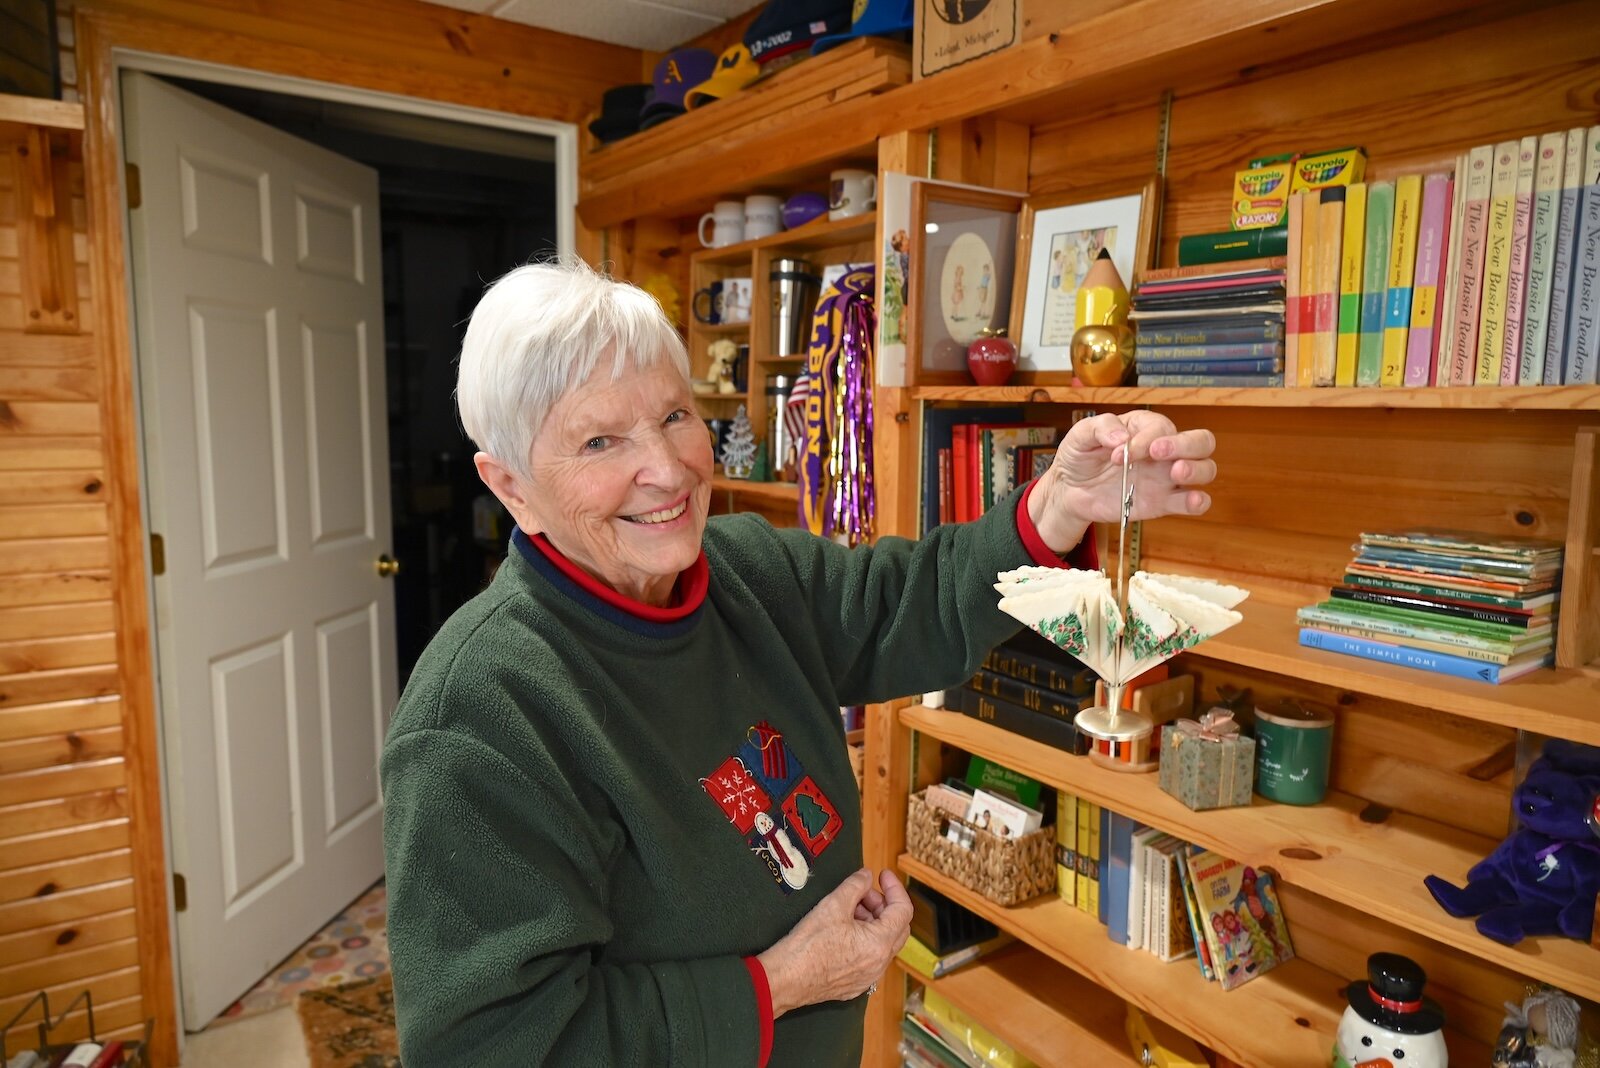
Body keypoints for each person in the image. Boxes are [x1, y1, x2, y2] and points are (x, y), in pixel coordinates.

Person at [381, 259, 1218, 1067]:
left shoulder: (745, 568)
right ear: (512, 486)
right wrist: (777, 986)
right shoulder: (481, 715)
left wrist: (1058, 504)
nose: (669, 470)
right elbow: (491, 1049)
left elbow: (907, 604)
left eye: (675, 416)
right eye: (601, 440)